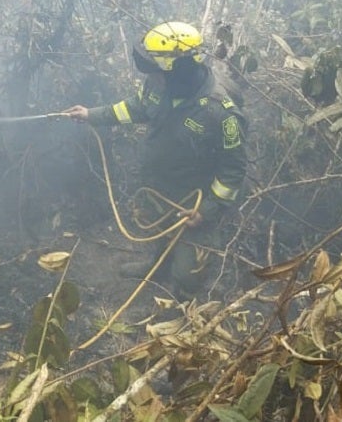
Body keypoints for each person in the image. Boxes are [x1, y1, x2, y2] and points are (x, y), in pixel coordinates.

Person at [64, 20, 246, 297]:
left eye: (156, 72)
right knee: (162, 231)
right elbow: (134, 108)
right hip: (161, 186)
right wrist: (92, 114)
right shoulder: (159, 86)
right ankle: (157, 267)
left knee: (188, 275)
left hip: (193, 199)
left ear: (179, 71)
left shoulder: (220, 112)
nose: (151, 78)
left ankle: (184, 302)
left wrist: (207, 210)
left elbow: (233, 169)